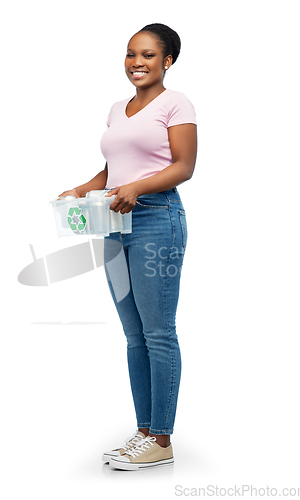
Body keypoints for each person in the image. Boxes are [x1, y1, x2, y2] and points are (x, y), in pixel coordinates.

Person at [58, 23, 197, 470]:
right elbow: (112, 170)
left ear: (167, 61)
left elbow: (185, 167)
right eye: (130, 54)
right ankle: (144, 430)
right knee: (134, 334)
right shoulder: (118, 109)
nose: (137, 62)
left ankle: (161, 438)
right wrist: (80, 189)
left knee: (158, 332)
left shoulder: (177, 104)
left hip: (158, 220)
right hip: (115, 222)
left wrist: (137, 188)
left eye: (148, 55)